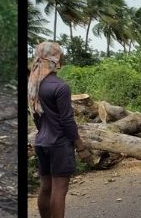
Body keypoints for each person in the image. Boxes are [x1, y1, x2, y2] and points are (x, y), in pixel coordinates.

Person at [30, 41, 84, 218]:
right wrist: (80, 145)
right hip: (59, 143)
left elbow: (36, 117)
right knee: (59, 190)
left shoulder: (34, 86)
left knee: (46, 187)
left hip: (41, 142)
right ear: (55, 59)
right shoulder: (60, 86)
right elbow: (67, 120)